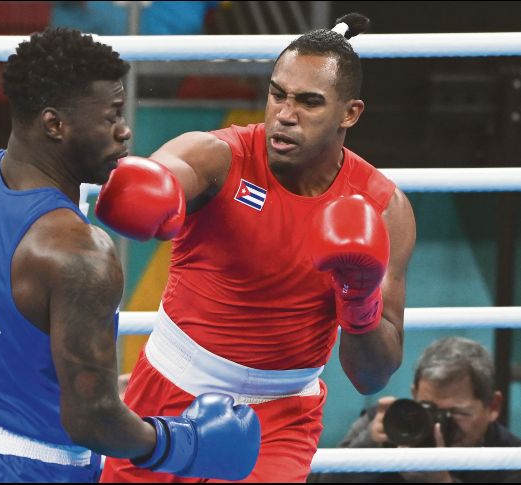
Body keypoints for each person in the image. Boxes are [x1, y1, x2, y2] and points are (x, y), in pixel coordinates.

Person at [0, 28, 260, 483]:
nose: (125, 131)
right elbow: (91, 418)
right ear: (54, 124)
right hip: (23, 469)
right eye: (110, 117)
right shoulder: (79, 253)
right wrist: (184, 443)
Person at [96, 13, 417, 483]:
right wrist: (152, 189)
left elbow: (372, 376)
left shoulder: (383, 209)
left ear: (350, 113)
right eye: (277, 94)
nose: (285, 114)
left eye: (309, 102)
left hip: (280, 418)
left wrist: (359, 298)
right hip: (167, 390)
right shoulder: (219, 157)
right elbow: (169, 169)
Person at [309, 337, 521, 483]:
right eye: (428, 409)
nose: (439, 424)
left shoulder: (511, 458)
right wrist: (368, 449)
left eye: (457, 413)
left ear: (493, 406)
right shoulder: (389, 423)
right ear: (414, 394)